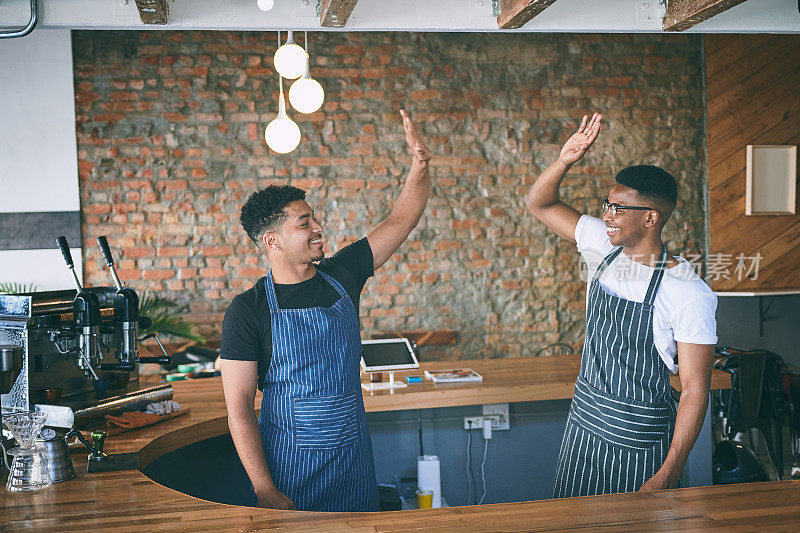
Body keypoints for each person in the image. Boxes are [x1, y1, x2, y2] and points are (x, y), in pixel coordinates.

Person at [219, 110, 431, 511]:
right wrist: (264, 488)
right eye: (304, 223)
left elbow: (402, 219)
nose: (318, 228)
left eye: (314, 217)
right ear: (273, 241)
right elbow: (240, 411)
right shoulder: (247, 311)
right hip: (289, 469)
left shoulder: (343, 273)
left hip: (353, 459)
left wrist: (419, 166)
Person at [525, 112, 717, 497]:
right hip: (584, 424)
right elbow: (539, 204)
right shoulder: (603, 245)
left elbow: (695, 390)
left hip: (639, 441)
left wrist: (668, 472)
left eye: (618, 209)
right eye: (606, 204)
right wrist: (565, 160)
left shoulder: (689, 293)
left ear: (650, 217)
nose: (606, 216)